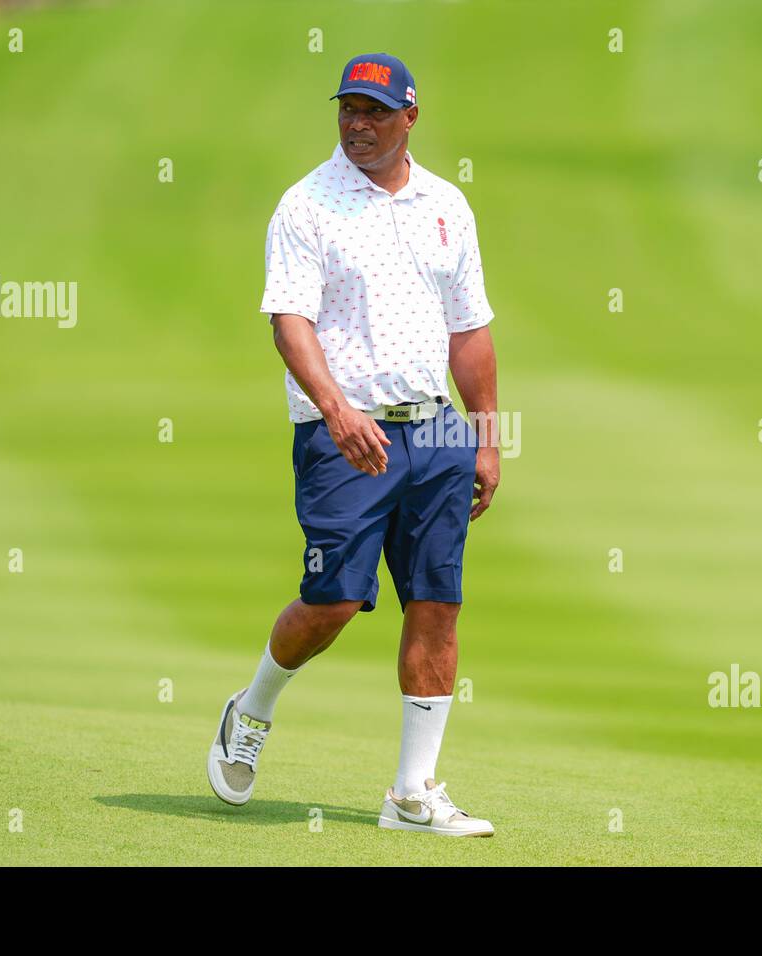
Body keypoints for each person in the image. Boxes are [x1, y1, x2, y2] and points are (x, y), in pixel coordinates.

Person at [206, 52, 501, 837]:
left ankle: (412, 794)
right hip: (347, 431)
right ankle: (253, 707)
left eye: (374, 112)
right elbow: (290, 321)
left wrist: (487, 436)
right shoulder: (307, 205)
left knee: (437, 604)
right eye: (347, 110)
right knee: (334, 599)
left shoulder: (447, 205)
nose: (357, 125)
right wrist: (336, 410)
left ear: (410, 118)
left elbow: (470, 330)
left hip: (435, 425)